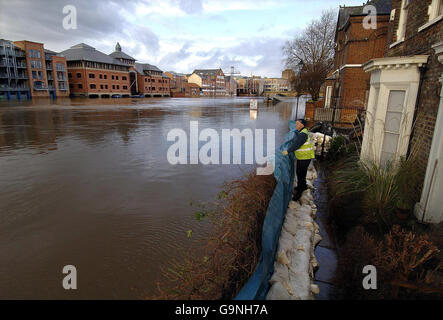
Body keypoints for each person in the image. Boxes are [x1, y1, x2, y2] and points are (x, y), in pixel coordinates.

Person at [282, 119, 315, 201]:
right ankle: (303, 186)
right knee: (301, 174)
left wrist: (288, 151)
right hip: (304, 157)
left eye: (297, 124)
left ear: (302, 125)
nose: (295, 125)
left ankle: (299, 193)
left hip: (305, 157)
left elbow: (296, 144)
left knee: (300, 174)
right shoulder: (303, 132)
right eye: (295, 124)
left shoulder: (302, 135)